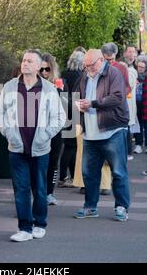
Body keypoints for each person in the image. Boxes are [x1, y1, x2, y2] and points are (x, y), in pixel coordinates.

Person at [0, 49, 65, 242]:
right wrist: (8, 132)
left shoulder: (48, 89)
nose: (25, 64)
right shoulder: (9, 87)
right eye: (24, 60)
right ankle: (24, 228)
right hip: (16, 147)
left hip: (41, 148)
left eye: (29, 61)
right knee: (21, 189)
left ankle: (40, 224)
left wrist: (46, 134)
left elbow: (60, 117)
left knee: (40, 188)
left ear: (38, 66)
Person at [73, 49, 130, 221]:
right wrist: (78, 104)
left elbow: (117, 98)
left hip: (111, 130)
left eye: (91, 65)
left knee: (118, 172)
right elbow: (76, 95)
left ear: (101, 60)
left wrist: (93, 103)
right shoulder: (85, 76)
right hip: (90, 133)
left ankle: (121, 207)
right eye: (85, 65)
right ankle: (90, 207)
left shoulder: (113, 73)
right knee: (89, 173)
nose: (88, 68)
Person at [39, 52, 64, 205]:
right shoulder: (33, 84)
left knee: (53, 162)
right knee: (38, 163)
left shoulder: (59, 84)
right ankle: (38, 192)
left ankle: (49, 192)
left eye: (47, 69)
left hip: (55, 130)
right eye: (41, 69)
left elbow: (65, 106)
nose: (43, 73)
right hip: (38, 129)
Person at [58, 50, 85, 188]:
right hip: (75, 111)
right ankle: (64, 176)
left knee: (69, 146)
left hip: (64, 110)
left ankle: (69, 176)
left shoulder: (63, 74)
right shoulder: (81, 76)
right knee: (72, 146)